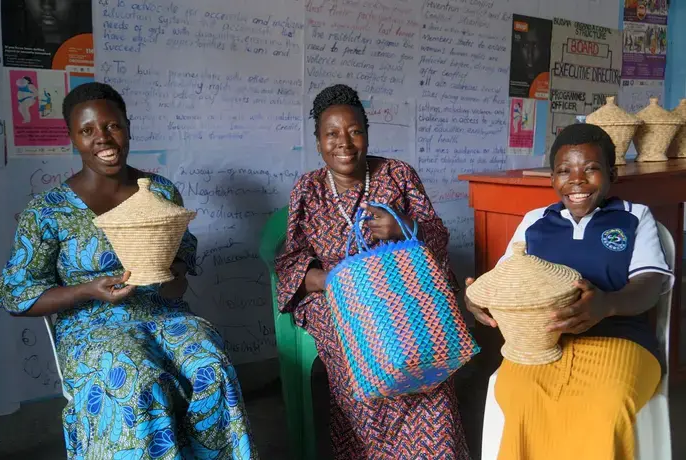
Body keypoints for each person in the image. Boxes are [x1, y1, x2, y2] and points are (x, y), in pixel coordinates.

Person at [0, 82, 257, 459]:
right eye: (87, 130)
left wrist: (171, 273)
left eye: (112, 126)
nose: (103, 138)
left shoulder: (160, 191)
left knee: (211, 366)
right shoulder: (47, 210)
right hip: (92, 323)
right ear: (73, 138)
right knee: (135, 378)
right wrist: (88, 290)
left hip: (163, 314)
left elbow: (180, 267)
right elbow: (18, 296)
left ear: (127, 126)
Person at [275, 84, 470, 459]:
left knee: (419, 336)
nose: (344, 143)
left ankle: (436, 449)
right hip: (338, 295)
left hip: (401, 285)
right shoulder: (307, 189)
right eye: (331, 134)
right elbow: (291, 260)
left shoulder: (397, 174)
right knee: (361, 337)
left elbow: (437, 236)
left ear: (367, 134)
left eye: (354, 131)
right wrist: (328, 281)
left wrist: (404, 228)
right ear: (318, 143)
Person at [465, 123, 672, 460]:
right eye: (565, 171)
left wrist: (605, 305)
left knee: (606, 407)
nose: (576, 180)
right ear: (552, 179)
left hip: (620, 338)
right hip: (541, 344)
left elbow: (650, 284)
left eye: (591, 169)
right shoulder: (535, 221)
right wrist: (476, 298)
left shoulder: (634, 217)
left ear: (612, 174)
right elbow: (501, 279)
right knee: (519, 399)